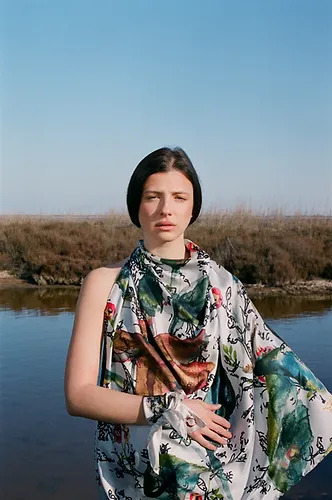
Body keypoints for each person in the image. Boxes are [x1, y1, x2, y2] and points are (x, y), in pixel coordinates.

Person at [65, 147, 332, 500]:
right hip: (136, 466)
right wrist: (170, 408)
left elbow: (274, 365)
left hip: (211, 464)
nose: (166, 209)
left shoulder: (223, 285)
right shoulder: (103, 283)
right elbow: (78, 395)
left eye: (179, 197)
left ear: (194, 207)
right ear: (136, 206)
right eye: (152, 197)